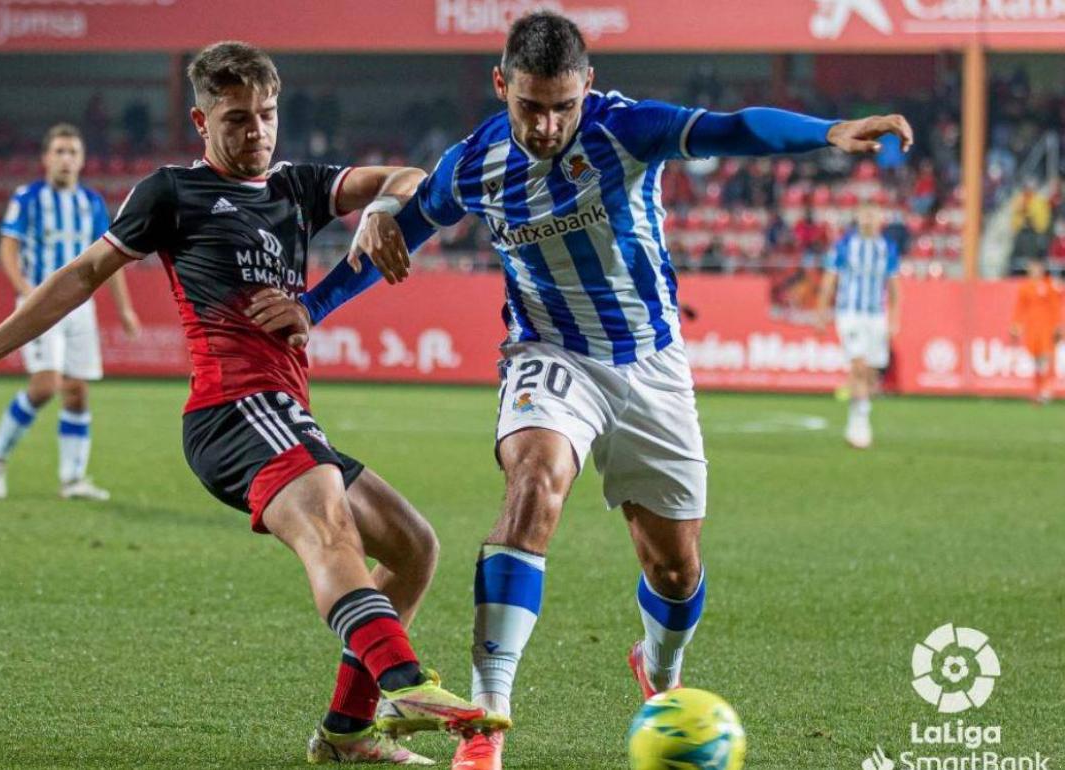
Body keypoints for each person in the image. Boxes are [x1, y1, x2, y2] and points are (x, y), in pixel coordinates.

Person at [267, 12, 913, 769]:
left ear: (588, 90)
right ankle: (486, 721)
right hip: (549, 354)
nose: (547, 125)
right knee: (535, 483)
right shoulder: (474, 164)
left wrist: (828, 132)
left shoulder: (624, 130)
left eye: (563, 106)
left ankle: (659, 672)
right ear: (501, 85)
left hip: (651, 364)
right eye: (531, 106)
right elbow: (394, 240)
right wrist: (310, 308)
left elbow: (733, 129)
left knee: (674, 568)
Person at [0, 40, 508, 766]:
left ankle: (347, 733)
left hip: (283, 411)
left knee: (415, 547)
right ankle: (405, 680)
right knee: (329, 525)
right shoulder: (171, 192)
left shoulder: (298, 185)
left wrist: (383, 209)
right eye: (236, 119)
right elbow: (82, 275)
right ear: (202, 122)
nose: (256, 131)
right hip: (233, 409)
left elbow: (412, 175)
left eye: (266, 115)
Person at [0, 123, 141, 501]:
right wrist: (25, 293)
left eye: (73, 152)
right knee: (44, 386)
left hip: (80, 310)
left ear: (82, 160)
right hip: (38, 306)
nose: (66, 159)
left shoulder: (92, 203)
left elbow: (110, 259)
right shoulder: (28, 197)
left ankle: (72, 479)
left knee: (77, 392)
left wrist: (125, 310)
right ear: (46, 158)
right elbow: (8, 249)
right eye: (59, 152)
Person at [818, 203, 901, 449]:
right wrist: (822, 310)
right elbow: (829, 279)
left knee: (872, 372)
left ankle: (860, 413)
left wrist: (895, 318)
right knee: (858, 365)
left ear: (881, 220)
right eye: (865, 215)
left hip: (876, 316)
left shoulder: (887, 248)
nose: (868, 220)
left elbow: (895, 287)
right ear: (857, 218)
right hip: (850, 313)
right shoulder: (844, 245)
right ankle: (859, 425)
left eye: (873, 215)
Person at [1010, 256, 1062, 405]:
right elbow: (1020, 308)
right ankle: (1038, 390)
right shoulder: (1025, 287)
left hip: (1046, 327)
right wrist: (1016, 324)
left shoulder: (1049, 285)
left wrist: (1058, 325)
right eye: (1032, 267)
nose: (1035, 270)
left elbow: (1055, 307)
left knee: (1046, 359)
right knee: (1036, 361)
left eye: (1037, 267)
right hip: (1032, 328)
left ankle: (1046, 391)